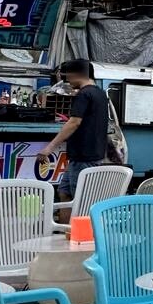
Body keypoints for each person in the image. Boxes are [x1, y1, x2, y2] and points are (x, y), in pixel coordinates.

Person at [42, 59, 110, 202]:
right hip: (89, 155)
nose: (67, 80)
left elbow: (74, 122)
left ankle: (79, 218)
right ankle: (66, 218)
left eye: (67, 75)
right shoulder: (101, 93)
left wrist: (49, 148)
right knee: (64, 192)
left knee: (80, 199)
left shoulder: (84, 94)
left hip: (83, 156)